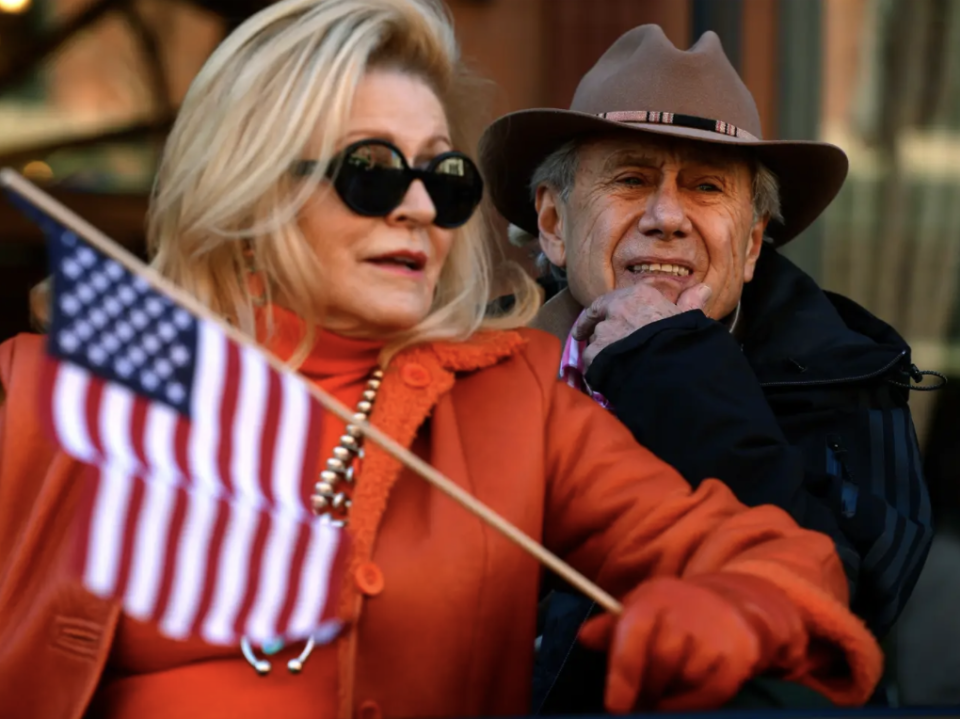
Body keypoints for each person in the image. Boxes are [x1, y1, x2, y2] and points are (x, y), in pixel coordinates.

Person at [0, 2, 882, 718]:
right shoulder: (40, 394)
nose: (421, 209)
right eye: (374, 172)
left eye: (444, 177)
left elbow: (785, 559)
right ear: (254, 186)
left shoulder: (513, 398)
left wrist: (731, 606)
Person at [478, 24, 933, 712]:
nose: (667, 216)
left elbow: (841, 616)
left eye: (706, 187)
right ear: (552, 223)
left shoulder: (847, 374)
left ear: (751, 245)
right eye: (630, 178)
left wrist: (671, 362)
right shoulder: (465, 372)